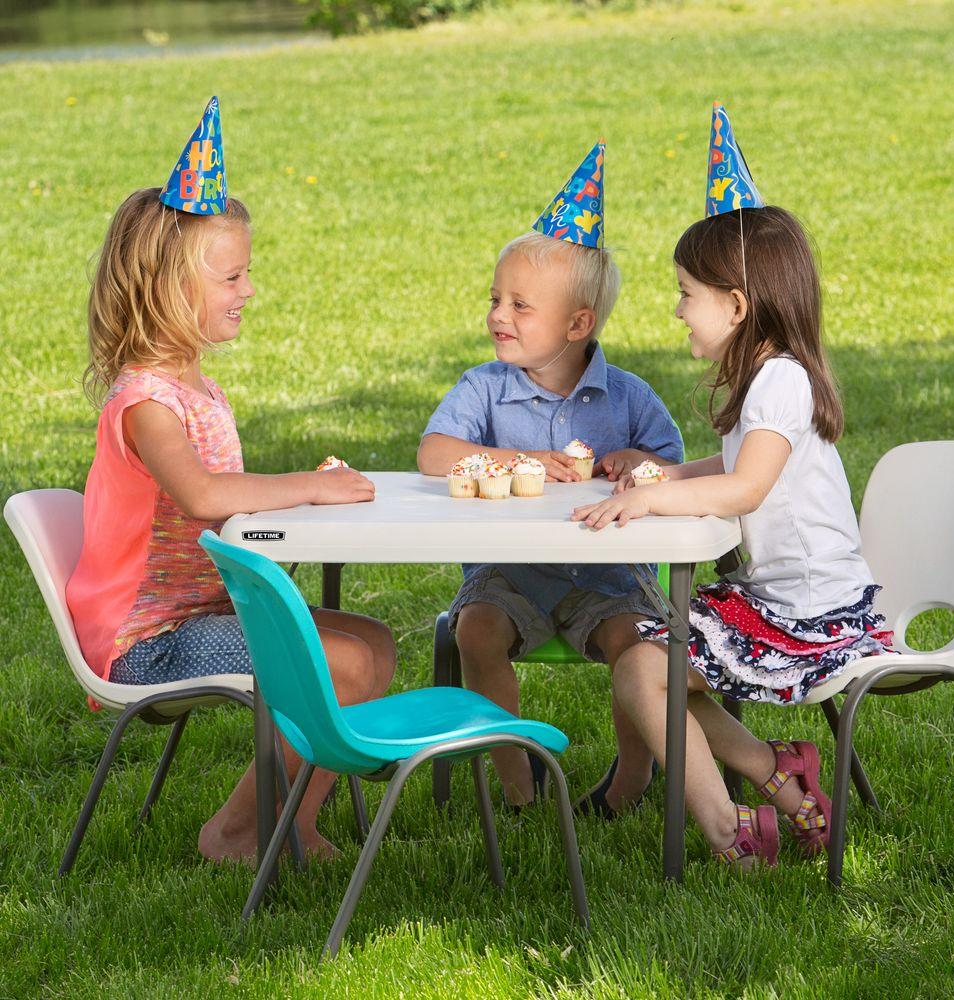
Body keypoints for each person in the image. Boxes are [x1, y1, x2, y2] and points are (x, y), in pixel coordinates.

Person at [67, 101, 395, 863]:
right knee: (342, 664)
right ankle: (239, 831)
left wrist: (297, 486)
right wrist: (306, 488)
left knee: (373, 644)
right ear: (166, 287)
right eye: (233, 276)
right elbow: (207, 497)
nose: (248, 289)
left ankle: (287, 822)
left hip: (203, 612)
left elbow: (227, 499)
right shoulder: (147, 402)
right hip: (148, 643)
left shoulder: (200, 390)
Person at [573, 107, 894, 866]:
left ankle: (731, 832)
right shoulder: (766, 379)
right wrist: (668, 474)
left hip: (814, 612)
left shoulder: (779, 380)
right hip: (777, 598)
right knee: (644, 667)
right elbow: (732, 470)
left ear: (737, 305)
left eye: (687, 292)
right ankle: (775, 777)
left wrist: (651, 500)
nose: (678, 306)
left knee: (649, 670)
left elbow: (748, 489)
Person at [418, 143, 684, 815]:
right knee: (474, 630)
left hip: (610, 575)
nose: (499, 316)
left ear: (578, 324)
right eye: (496, 299)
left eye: (521, 306)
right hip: (507, 574)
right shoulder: (484, 388)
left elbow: (674, 472)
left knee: (640, 647)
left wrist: (637, 465)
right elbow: (433, 454)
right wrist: (521, 463)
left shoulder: (626, 398)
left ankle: (631, 775)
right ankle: (516, 779)